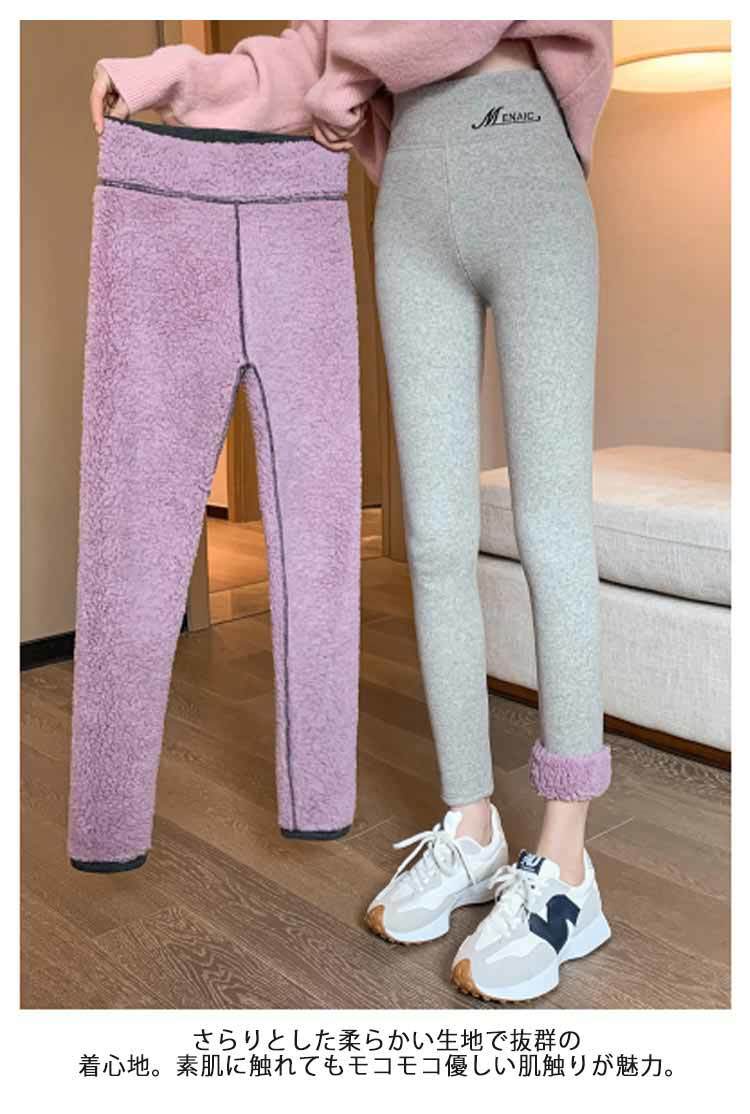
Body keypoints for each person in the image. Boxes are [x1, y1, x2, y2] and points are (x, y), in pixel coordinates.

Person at [90, 20, 614, 1004]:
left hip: (527, 172)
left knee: (551, 530)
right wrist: (165, 76)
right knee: (432, 538)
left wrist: (360, 60)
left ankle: (568, 862)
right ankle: (471, 825)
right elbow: (296, 64)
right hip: (408, 201)